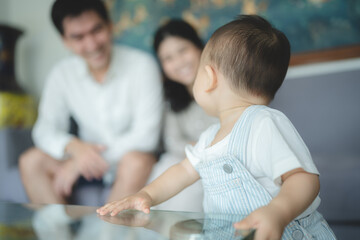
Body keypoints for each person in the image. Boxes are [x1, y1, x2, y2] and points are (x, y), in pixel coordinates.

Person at [97, 15, 336, 240]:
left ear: (209, 77)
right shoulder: (211, 136)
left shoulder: (264, 122)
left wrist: (278, 211)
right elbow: (182, 172)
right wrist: (146, 195)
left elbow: (304, 178)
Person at [19, 0, 163, 205]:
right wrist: (73, 147)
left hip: (128, 162)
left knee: (136, 160)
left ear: (110, 25)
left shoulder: (142, 66)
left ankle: (110, 236)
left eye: (97, 30)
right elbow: (44, 129)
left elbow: (147, 136)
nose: (92, 44)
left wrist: (82, 162)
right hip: (85, 165)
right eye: (78, 37)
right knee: (30, 161)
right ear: (65, 41)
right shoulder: (61, 74)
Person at [147, 19, 217, 212]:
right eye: (168, 58)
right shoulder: (171, 97)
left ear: (198, 47)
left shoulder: (225, 85)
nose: (178, 63)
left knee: (190, 187)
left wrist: (203, 151)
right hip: (187, 158)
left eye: (183, 51)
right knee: (163, 169)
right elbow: (172, 141)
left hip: (221, 158)